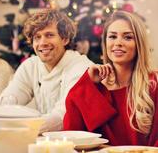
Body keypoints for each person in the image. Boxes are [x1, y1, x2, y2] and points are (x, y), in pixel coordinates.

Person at [63, 10, 158, 146]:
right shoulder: (95, 87)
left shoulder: (154, 84)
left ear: (139, 44)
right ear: (105, 42)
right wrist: (87, 82)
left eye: (127, 37)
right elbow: (71, 135)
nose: (118, 43)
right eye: (112, 37)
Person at [0, 9, 93, 132]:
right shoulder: (30, 66)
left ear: (65, 39)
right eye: (37, 37)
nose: (42, 43)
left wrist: (17, 126)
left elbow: (62, 117)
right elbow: (8, 101)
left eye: (49, 35)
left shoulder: (81, 67)